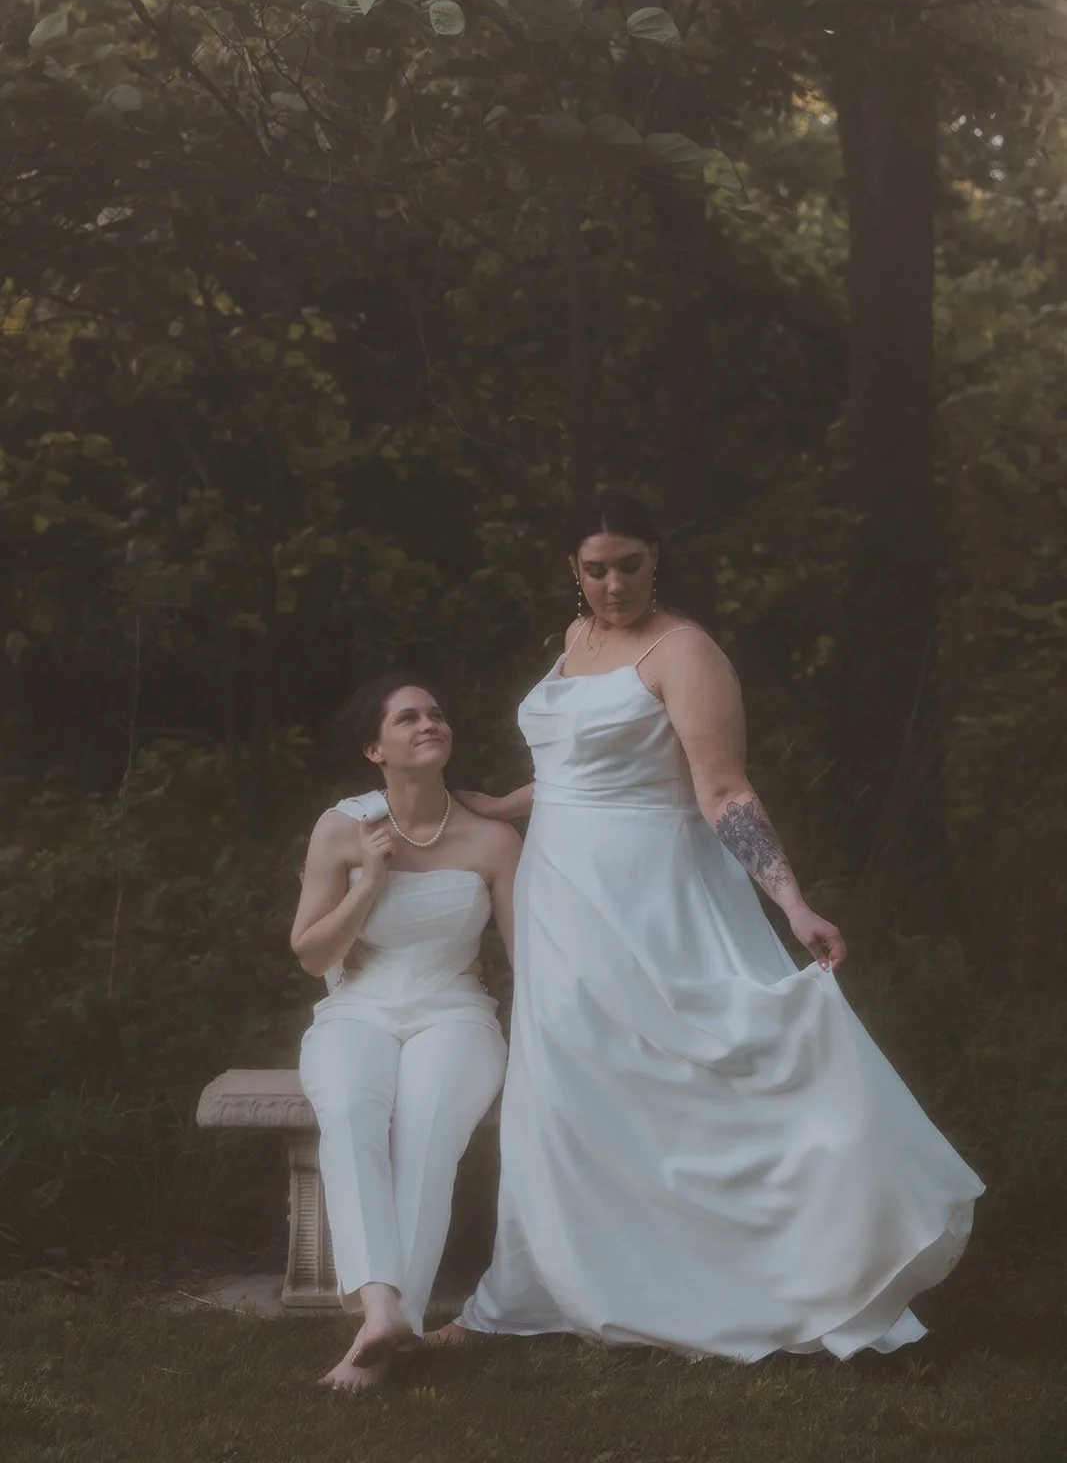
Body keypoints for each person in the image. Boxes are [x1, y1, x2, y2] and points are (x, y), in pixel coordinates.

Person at [429, 489, 984, 1362]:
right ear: (572, 573)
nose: (613, 583)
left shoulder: (683, 652)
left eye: (629, 564)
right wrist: (501, 802)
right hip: (558, 898)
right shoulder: (574, 642)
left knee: (696, 1078)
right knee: (573, 1092)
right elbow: (577, 764)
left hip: (651, 892)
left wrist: (791, 901)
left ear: (657, 557)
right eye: (595, 568)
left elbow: (721, 789)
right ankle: (554, 1286)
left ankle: (777, 1279)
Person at [291, 675, 518, 1393]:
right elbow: (312, 956)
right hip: (357, 1005)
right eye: (408, 717)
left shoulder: (492, 838)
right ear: (374, 748)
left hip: (455, 1010)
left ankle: (384, 1336)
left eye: (436, 714)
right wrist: (367, 882)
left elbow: (528, 958)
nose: (428, 723)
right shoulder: (341, 828)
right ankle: (381, 1305)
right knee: (352, 1112)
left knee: (426, 1135)